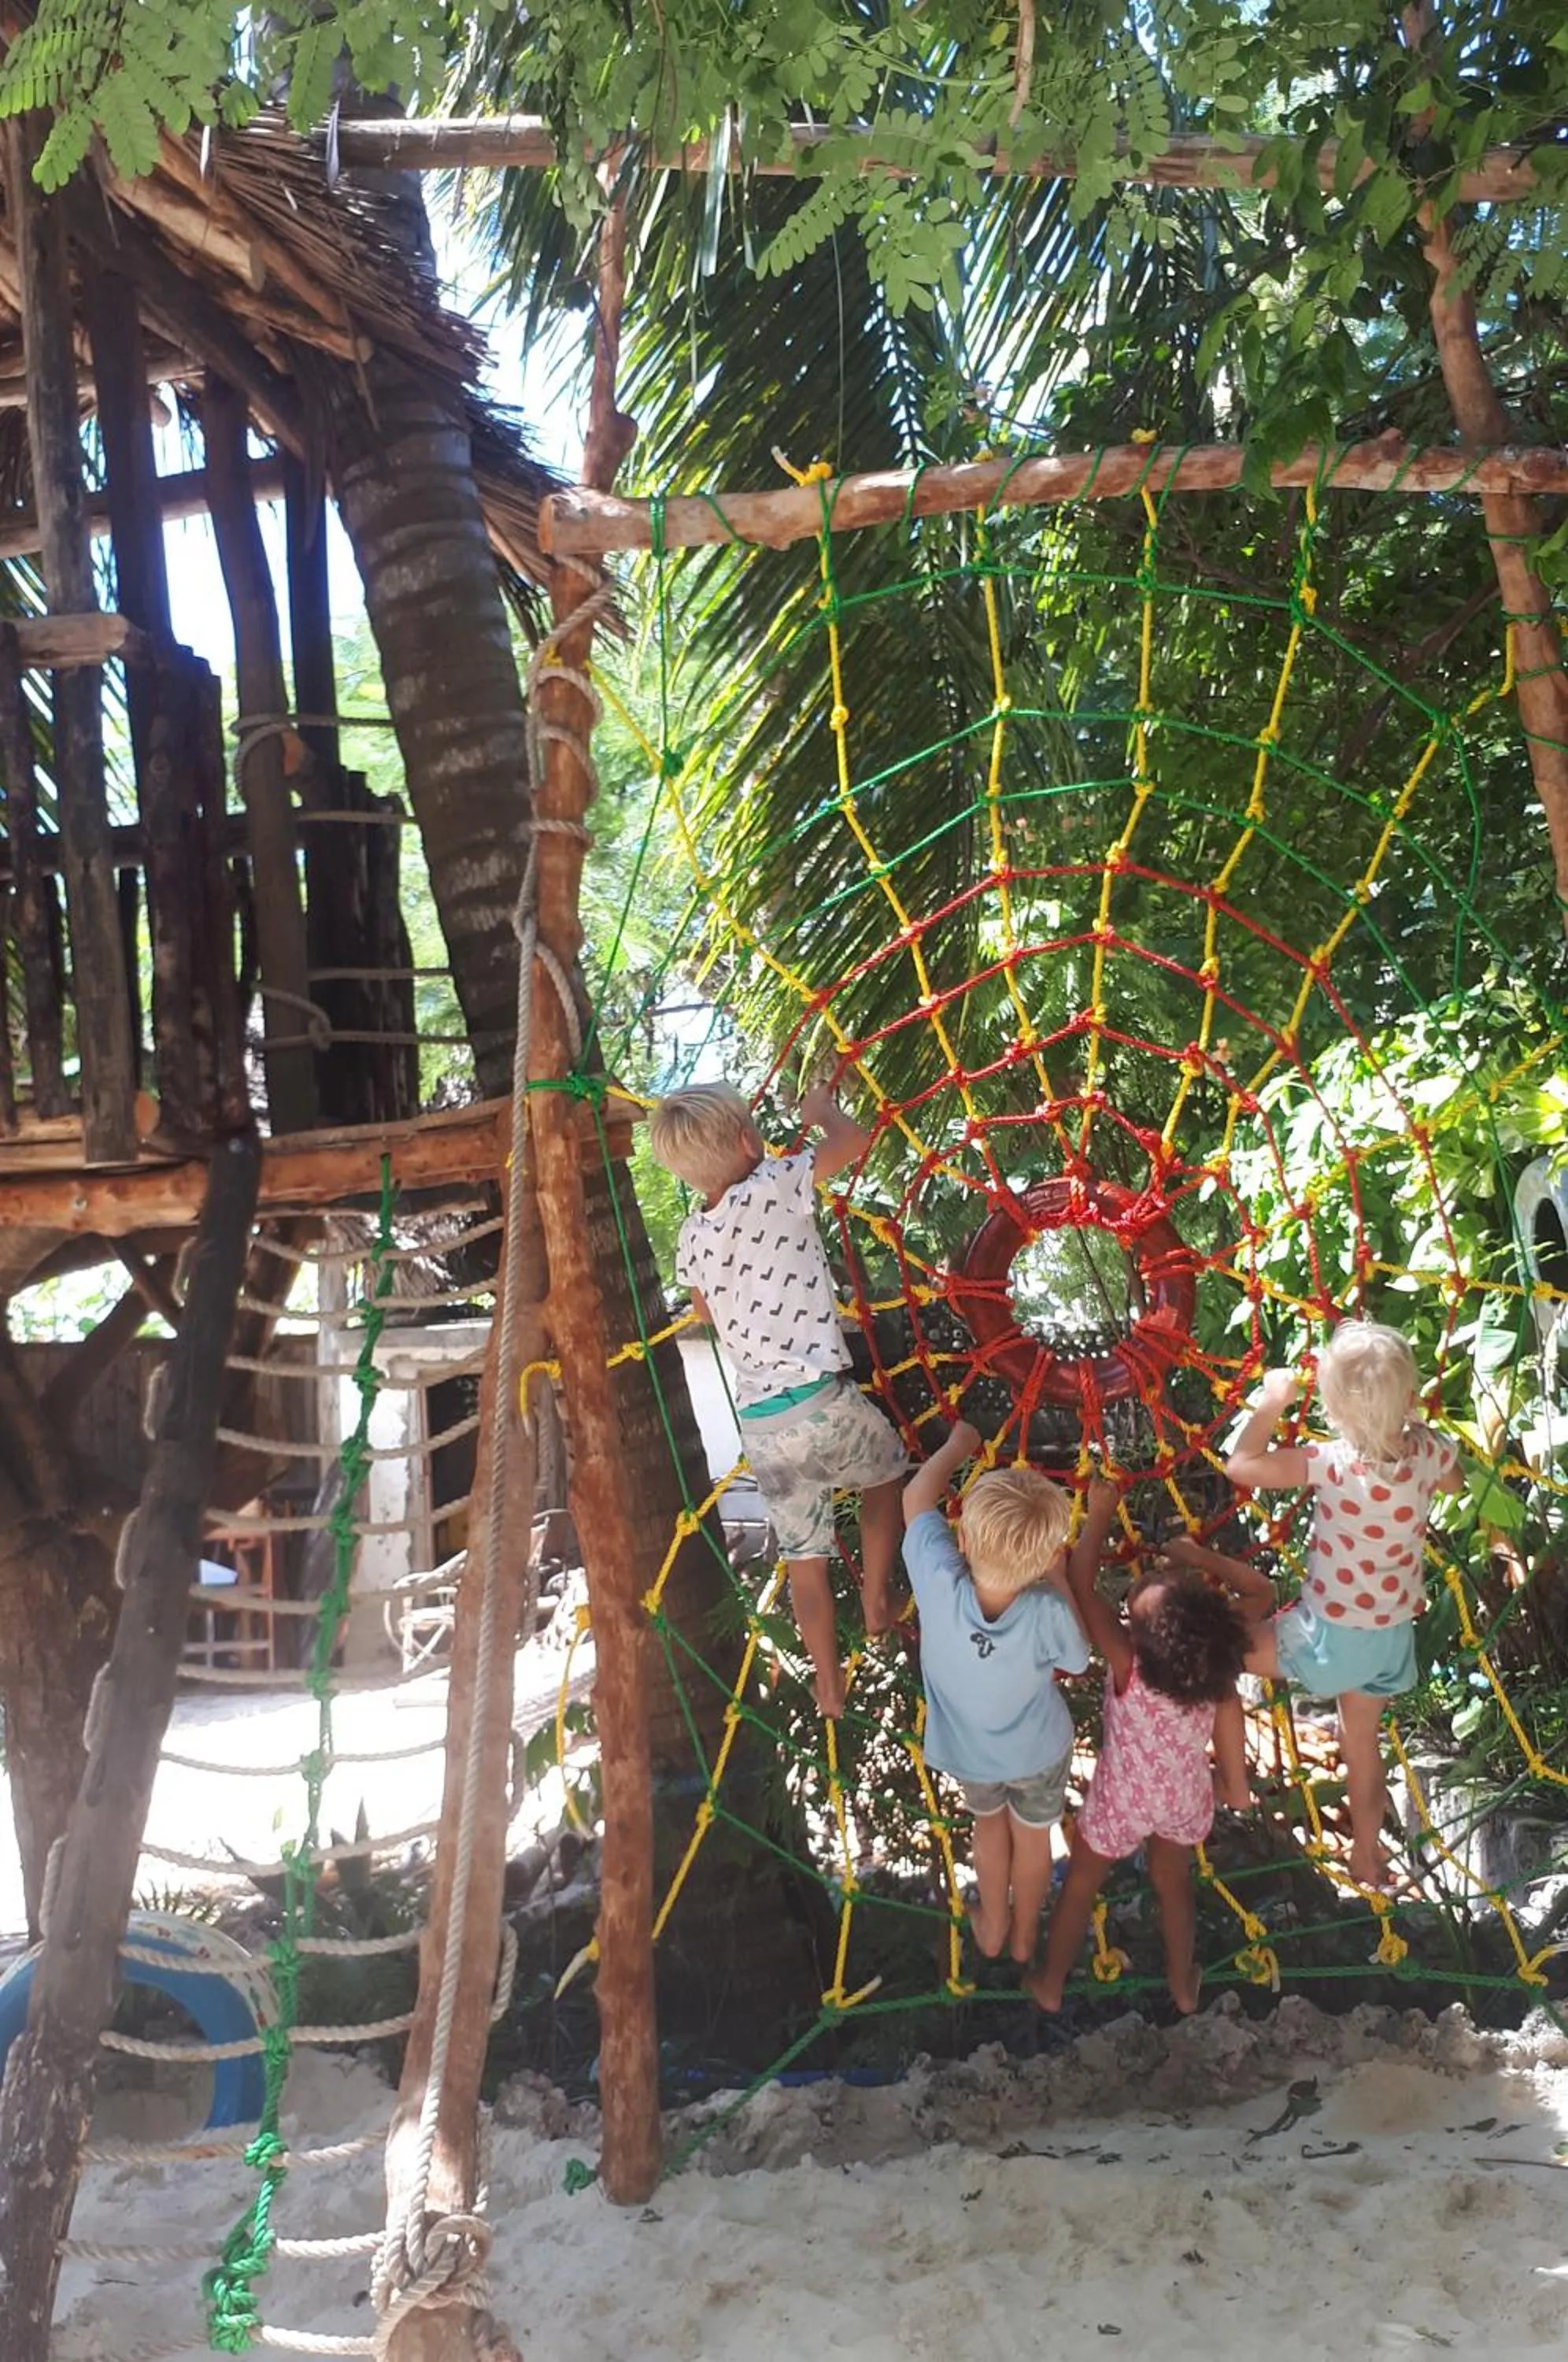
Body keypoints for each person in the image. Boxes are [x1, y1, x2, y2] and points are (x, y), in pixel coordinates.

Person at [649, 1079, 908, 1717]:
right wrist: (821, 1111)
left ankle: (826, 1683)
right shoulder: (775, 1184)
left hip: (763, 1426)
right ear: (747, 1140)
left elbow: (704, 1314)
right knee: (888, 1472)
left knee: (804, 1561)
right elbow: (854, 1141)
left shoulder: (690, 1237)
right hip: (821, 1400)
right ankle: (877, 1599)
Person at [1226, 1320, 1461, 1889]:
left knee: (1218, 1651)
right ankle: (1365, 1856)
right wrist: (1419, 1433)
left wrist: (1272, 1402)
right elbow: (1452, 1483)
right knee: (1363, 1748)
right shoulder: (1430, 1452)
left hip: (1329, 1635)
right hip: (1389, 1639)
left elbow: (1241, 1465)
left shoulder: (1330, 1461)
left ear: (1332, 1408)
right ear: (1409, 1398)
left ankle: (1229, 1781)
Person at [1026, 1479, 1268, 2016]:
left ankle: (1050, 1983)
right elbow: (1261, 1593)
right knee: (1173, 1883)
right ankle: (1183, 1984)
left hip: (1123, 1799)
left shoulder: (1129, 1666)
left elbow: (1084, 1589)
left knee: (1082, 1884)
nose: (1152, 1573)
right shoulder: (1216, 1659)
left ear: (1134, 1638)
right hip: (1183, 1798)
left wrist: (1099, 1514)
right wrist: (1200, 1556)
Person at [902, 1417, 1090, 1966]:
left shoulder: (939, 1576)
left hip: (970, 1752)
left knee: (988, 1828)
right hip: (1037, 1752)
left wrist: (958, 1447)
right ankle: (1027, 1934)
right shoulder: (1046, 1609)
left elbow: (916, 1499)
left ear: (961, 1539)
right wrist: (1058, 1580)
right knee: (1034, 1839)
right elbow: (1077, 1661)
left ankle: (993, 1925)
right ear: (1044, 1556)